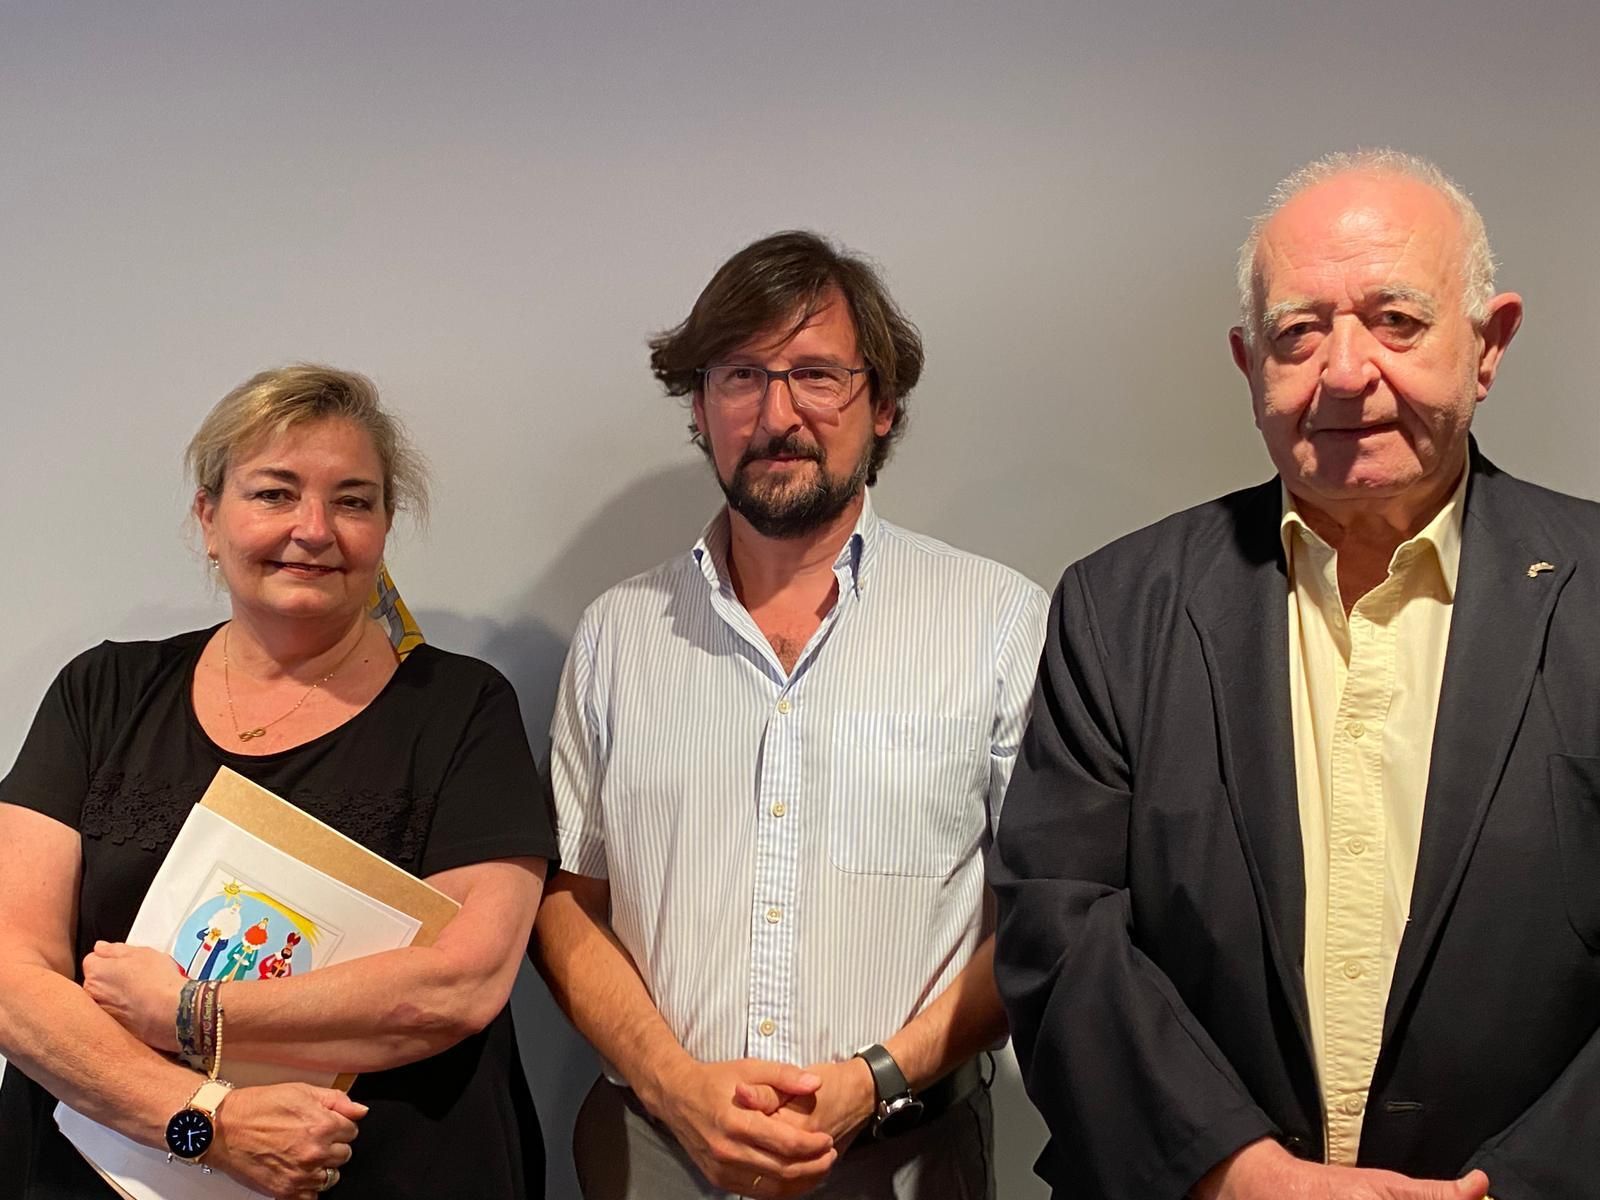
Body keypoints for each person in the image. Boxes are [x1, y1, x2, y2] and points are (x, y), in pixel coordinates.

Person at [990, 148, 1600, 1200]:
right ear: (1248, 363)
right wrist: (1237, 1174)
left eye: (1396, 322)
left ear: (1488, 345)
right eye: (1297, 334)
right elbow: (1060, 931)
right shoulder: (1117, 607)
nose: (1345, 372)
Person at [534, 231, 1047, 1199]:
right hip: (655, 1156)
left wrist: (874, 1078)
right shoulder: (618, 635)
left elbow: (1043, 913)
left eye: (817, 375)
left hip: (905, 1157)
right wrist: (675, 1085)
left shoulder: (997, 624)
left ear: (882, 405)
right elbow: (568, 901)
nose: (777, 415)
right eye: (740, 376)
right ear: (699, 407)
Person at [0, 365, 558, 1200]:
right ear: (208, 518)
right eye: (274, 494)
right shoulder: (103, 693)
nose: (314, 529)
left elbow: (462, 982)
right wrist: (206, 1122)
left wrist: (192, 1011)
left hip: (385, 1173)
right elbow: (12, 972)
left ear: (386, 525)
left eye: (353, 501)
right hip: (89, 1170)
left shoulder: (461, 710)